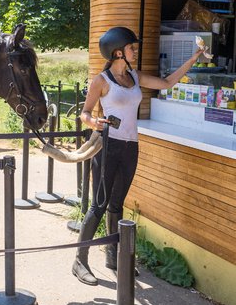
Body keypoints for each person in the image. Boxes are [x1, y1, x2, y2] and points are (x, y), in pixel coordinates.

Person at [72, 26, 206, 285]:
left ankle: (113, 258)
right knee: (98, 206)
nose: (135, 51)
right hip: (109, 146)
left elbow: (167, 83)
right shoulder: (102, 80)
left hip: (130, 147)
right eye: (132, 47)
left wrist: (194, 57)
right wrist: (94, 122)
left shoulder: (134, 76)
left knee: (116, 205)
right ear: (118, 52)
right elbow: (85, 113)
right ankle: (80, 261)